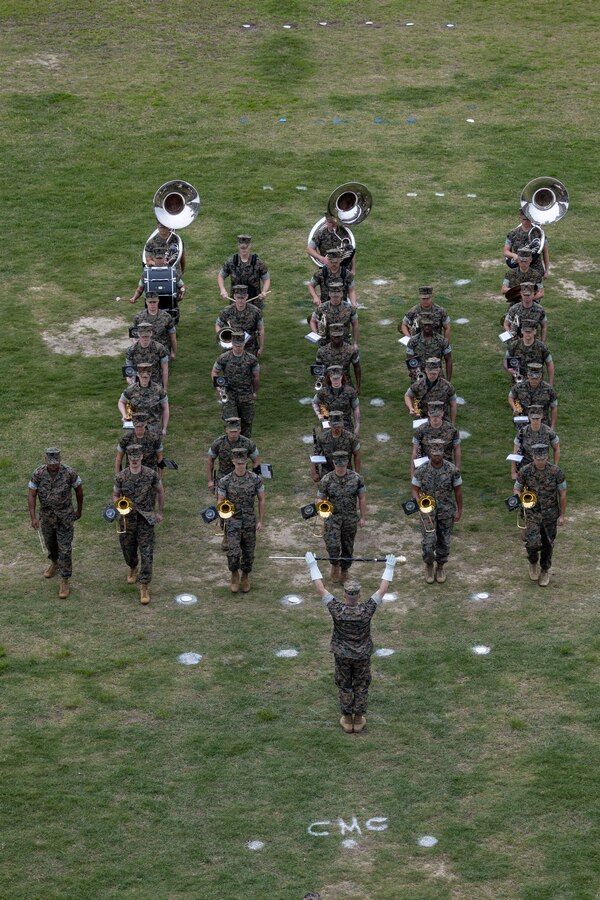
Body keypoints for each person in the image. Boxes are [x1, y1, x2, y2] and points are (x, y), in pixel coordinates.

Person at [305, 550, 397, 732]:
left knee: (345, 684)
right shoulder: (366, 610)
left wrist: (312, 565)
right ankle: (359, 717)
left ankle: (347, 719)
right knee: (361, 685)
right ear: (359, 595)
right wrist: (389, 567)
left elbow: (320, 588)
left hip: (342, 654)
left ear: (346, 595)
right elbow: (382, 590)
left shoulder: (337, 609)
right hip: (362, 654)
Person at [28, 448, 83, 599]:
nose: (53, 466)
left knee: (65, 549)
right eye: (51, 463)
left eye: (56, 463)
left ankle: (64, 579)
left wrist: (79, 510)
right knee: (50, 544)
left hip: (65, 517)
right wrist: (33, 517)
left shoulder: (69, 473)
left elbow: (79, 490)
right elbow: (32, 495)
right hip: (47, 517)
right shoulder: (38, 474)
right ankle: (54, 562)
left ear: (60, 460)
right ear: (45, 460)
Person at [112, 444, 164, 604]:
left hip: (146, 520)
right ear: (129, 459)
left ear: (141, 457)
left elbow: (160, 491)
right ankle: (133, 566)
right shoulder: (121, 477)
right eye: (131, 459)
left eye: (137, 458)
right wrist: (119, 505)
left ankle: (144, 585)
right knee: (128, 551)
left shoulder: (151, 475)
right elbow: (115, 495)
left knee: (147, 554)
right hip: (127, 520)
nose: (134, 461)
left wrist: (160, 512)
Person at [513, 444, 566, 586]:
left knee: (548, 544)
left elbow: (562, 493)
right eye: (537, 459)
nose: (540, 462)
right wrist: (519, 501)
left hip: (550, 514)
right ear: (533, 458)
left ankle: (544, 570)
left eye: (542, 459)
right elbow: (517, 488)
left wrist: (562, 515)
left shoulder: (556, 472)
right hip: (532, 513)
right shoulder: (525, 471)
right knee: (532, 543)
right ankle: (533, 562)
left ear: (547, 457)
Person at [411, 439, 462, 584]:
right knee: (428, 543)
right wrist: (419, 502)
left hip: (446, 511)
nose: (437, 457)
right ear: (430, 454)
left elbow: (458, 492)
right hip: (428, 512)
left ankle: (440, 567)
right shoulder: (421, 469)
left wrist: (459, 510)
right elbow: (415, 489)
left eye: (439, 454)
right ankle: (428, 565)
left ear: (443, 454)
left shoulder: (452, 470)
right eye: (434, 454)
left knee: (444, 542)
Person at [207, 417, 260, 549]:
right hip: (224, 481)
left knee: (245, 508)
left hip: (244, 481)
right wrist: (210, 480)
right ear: (226, 430)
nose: (233, 434)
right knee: (224, 508)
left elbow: (256, 459)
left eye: (236, 431)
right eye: (231, 431)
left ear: (240, 430)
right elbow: (210, 461)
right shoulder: (218, 443)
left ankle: (244, 534)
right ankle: (226, 535)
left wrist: (255, 477)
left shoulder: (247, 443)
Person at [217, 447, 265, 593]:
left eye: (243, 463)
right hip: (233, 520)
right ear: (233, 462)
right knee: (233, 552)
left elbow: (262, 499)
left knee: (249, 552)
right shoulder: (225, 481)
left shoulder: (255, 479)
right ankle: (234, 574)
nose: (240, 466)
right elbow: (220, 500)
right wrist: (224, 513)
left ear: (246, 462)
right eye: (238, 463)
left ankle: (245, 576)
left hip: (249, 520)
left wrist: (261, 520)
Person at [316, 450, 366, 584]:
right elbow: (319, 498)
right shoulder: (326, 479)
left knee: (348, 546)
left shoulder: (356, 478)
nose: (340, 468)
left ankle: (345, 571)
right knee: (332, 545)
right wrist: (322, 509)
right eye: (338, 465)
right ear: (334, 463)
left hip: (349, 518)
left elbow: (361, 498)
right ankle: (334, 565)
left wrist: (362, 517)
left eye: (343, 465)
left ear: (346, 464)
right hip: (332, 518)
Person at [211, 331, 260, 437]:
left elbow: (256, 377)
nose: (238, 348)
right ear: (232, 344)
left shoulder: (251, 359)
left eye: (240, 345)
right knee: (231, 422)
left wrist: (255, 392)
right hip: (229, 395)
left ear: (244, 344)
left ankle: (245, 445)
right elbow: (214, 371)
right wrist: (218, 385)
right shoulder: (224, 358)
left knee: (247, 422)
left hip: (246, 395)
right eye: (236, 345)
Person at [217, 235, 270, 310]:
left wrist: (264, 291)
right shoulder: (232, 261)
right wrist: (222, 290)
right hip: (236, 300)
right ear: (238, 247)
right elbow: (221, 276)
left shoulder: (258, 262)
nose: (244, 249)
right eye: (242, 247)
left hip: (254, 300)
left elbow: (266, 278)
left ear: (250, 246)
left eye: (246, 247)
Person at [411, 401, 461, 477]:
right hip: (426, 470)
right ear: (428, 414)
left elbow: (457, 449)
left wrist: (457, 468)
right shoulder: (420, 430)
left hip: (446, 470)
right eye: (433, 415)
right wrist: (413, 474)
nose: (435, 418)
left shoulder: (452, 430)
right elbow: (415, 451)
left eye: (437, 416)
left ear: (442, 414)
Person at [118, 363, 169, 436]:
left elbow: (165, 408)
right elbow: (121, 402)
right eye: (142, 377)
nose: (144, 379)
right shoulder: (131, 389)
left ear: (150, 375)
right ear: (138, 375)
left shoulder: (158, 390)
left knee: (155, 447)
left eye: (146, 377)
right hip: (136, 426)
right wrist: (124, 415)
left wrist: (164, 428)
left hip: (153, 427)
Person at [511, 406, 560, 480]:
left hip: (543, 463)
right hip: (526, 463)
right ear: (529, 418)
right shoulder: (522, 432)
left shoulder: (549, 432)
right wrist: (513, 472)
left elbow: (556, 449)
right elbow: (515, 453)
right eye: (533, 418)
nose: (535, 421)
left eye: (537, 418)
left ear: (541, 417)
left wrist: (555, 467)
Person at [216, 284, 264, 357]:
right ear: (234, 297)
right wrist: (222, 337)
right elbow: (218, 324)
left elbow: (261, 330)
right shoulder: (226, 311)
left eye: (242, 297)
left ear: (247, 296)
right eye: (238, 297)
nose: (240, 300)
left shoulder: (255, 312)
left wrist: (261, 347)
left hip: (249, 346)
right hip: (231, 346)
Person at [311, 410, 361, 482]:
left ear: (342, 424)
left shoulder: (351, 438)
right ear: (329, 424)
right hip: (327, 473)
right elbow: (315, 456)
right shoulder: (322, 438)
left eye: (339, 426)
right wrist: (314, 473)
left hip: (346, 472)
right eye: (334, 426)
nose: (337, 429)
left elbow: (357, 455)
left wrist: (357, 473)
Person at [404, 358, 457, 423]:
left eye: (434, 374)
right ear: (426, 370)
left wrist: (452, 423)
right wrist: (411, 408)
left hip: (441, 418)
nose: (432, 376)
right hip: (423, 418)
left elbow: (453, 405)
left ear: (439, 371)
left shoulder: (447, 386)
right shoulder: (419, 384)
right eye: (430, 373)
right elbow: (407, 395)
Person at [312, 365, 360, 436]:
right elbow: (314, 402)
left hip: (345, 424)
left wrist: (357, 426)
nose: (336, 381)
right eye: (333, 379)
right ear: (329, 378)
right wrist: (319, 414)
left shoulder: (350, 391)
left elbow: (356, 408)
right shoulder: (323, 391)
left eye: (338, 378)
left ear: (342, 377)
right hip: (328, 424)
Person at [406, 310, 453, 381]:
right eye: (425, 325)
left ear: (433, 325)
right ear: (421, 325)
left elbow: (448, 360)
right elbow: (410, 361)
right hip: (419, 379)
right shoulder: (413, 341)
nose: (427, 327)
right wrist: (416, 375)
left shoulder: (442, 341)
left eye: (429, 324)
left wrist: (448, 381)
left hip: (437, 379)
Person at [310, 281, 359, 348]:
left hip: (344, 341)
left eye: (337, 296)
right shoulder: (322, 307)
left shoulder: (350, 308)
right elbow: (312, 321)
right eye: (333, 296)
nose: (335, 299)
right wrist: (315, 334)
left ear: (341, 294)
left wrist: (355, 343)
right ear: (329, 294)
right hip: (326, 341)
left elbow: (355, 325)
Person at [504, 320, 554, 384]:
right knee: (511, 394)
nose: (528, 333)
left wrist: (550, 384)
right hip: (518, 383)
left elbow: (550, 364)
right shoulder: (514, 345)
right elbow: (505, 360)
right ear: (522, 331)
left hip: (536, 383)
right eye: (526, 331)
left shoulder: (541, 347)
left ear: (535, 332)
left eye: (530, 331)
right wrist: (509, 369)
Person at [508, 362, 557, 428]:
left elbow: (554, 407)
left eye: (536, 379)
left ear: (540, 377)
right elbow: (510, 397)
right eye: (532, 378)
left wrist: (552, 426)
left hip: (542, 423)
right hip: (524, 422)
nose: (534, 381)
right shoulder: (519, 386)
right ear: (528, 376)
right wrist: (514, 408)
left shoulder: (548, 389)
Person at [504, 209, 549, 279]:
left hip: (536, 270)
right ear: (520, 218)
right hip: (518, 271)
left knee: (537, 290)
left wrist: (546, 271)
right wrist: (513, 255)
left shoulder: (539, 233)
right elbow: (506, 252)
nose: (525, 222)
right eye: (523, 219)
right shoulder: (512, 233)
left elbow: (545, 252)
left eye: (527, 219)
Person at [315, 322, 361, 390]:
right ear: (330, 335)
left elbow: (357, 367)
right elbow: (317, 368)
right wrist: (319, 381)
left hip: (346, 384)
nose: (336, 338)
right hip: (327, 385)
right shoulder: (322, 351)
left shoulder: (351, 350)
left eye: (339, 336)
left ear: (342, 335)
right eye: (334, 336)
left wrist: (358, 385)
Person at [125, 322, 170, 389]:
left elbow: (165, 370)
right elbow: (129, 371)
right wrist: (130, 380)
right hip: (138, 384)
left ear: (151, 334)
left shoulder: (160, 348)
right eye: (143, 336)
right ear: (138, 334)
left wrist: (165, 389)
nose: (145, 338)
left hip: (156, 384)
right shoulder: (131, 350)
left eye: (147, 336)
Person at [133, 293, 177, 358]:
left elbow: (172, 336)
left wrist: (174, 353)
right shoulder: (139, 317)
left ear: (158, 301)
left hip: (162, 350)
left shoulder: (166, 317)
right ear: (146, 302)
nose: (152, 304)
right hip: (145, 349)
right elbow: (134, 336)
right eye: (150, 302)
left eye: (154, 302)